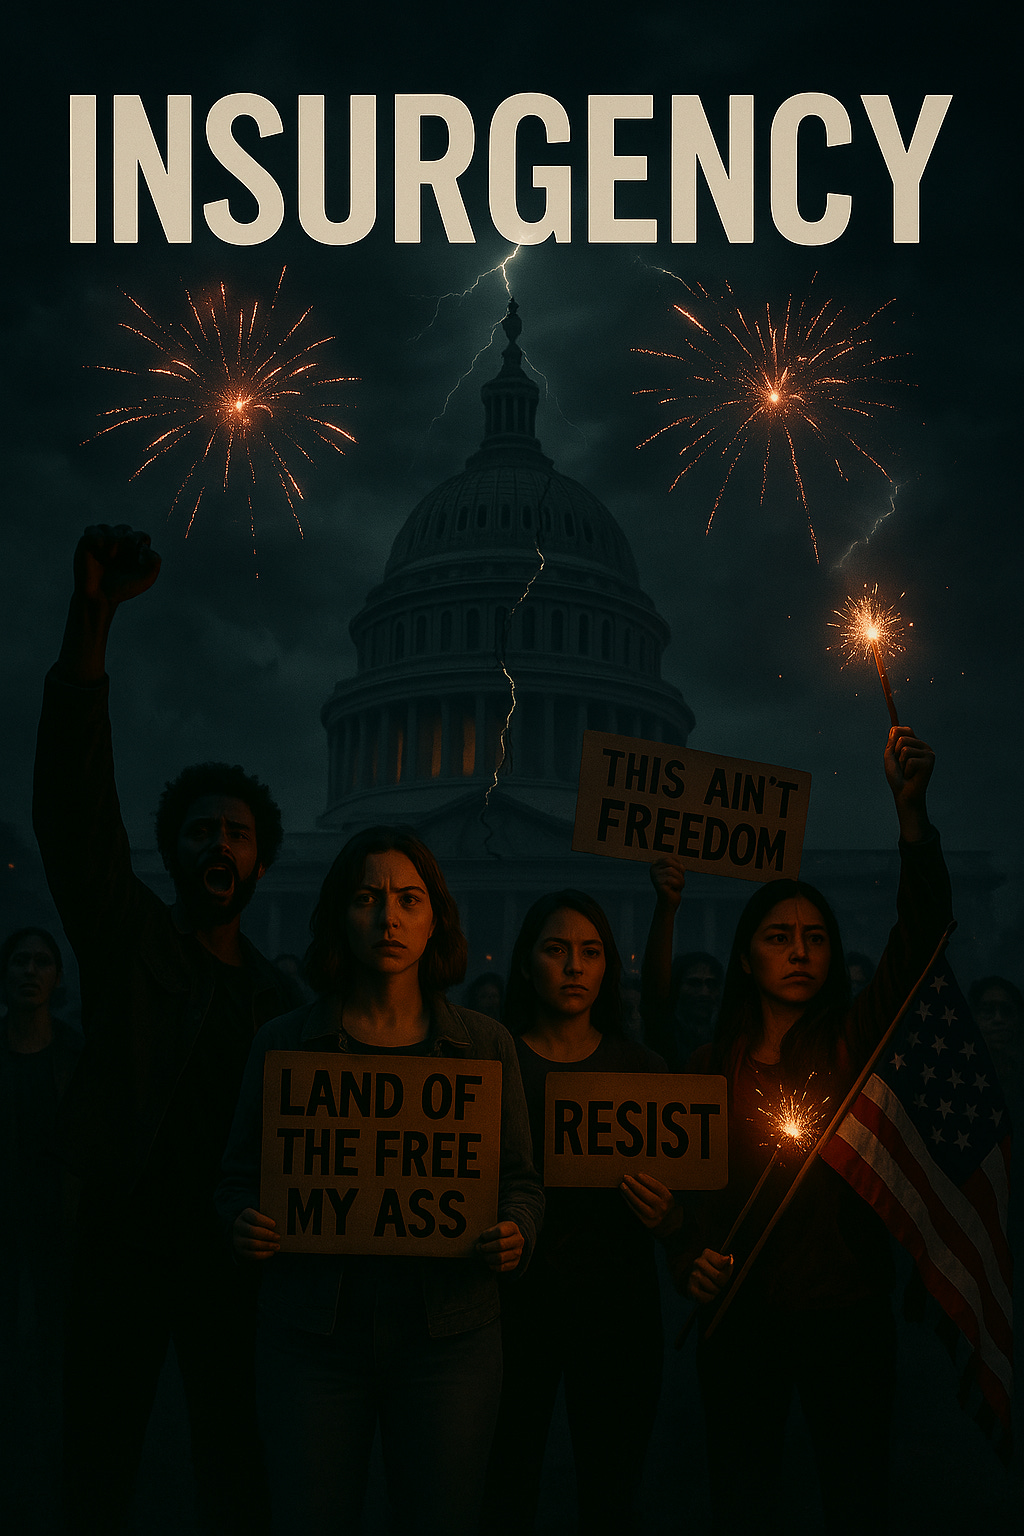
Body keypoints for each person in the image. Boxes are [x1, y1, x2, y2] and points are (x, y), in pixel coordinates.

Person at [32, 525, 299, 1536]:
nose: (217, 844)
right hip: (123, 1243)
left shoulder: (280, 1003)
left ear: (262, 862)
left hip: (231, 1254)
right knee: (98, 1459)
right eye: (200, 830)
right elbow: (70, 812)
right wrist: (91, 621)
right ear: (173, 852)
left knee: (236, 1458)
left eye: (235, 832)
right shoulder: (127, 939)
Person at [216, 826, 544, 1536]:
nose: (387, 918)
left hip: (449, 1338)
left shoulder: (486, 1048)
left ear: (436, 919)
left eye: (408, 899)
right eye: (366, 898)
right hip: (310, 1337)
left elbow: (521, 1180)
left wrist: (517, 1230)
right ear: (339, 913)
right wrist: (242, 1220)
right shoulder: (282, 1043)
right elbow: (236, 1178)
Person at [673, 725, 949, 1536]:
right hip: (743, 1321)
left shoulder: (851, 1044)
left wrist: (911, 817)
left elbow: (923, 935)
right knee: (744, 1495)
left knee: (855, 1494)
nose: (800, 952)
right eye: (778, 937)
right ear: (746, 957)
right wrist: (684, 1254)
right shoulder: (703, 1068)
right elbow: (674, 1190)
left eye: (816, 938)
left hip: (846, 1315)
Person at [483, 889, 673, 1535]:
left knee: (611, 1499)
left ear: (608, 968)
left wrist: (668, 1214)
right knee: (504, 1493)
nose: (574, 967)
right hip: (511, 1316)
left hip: (618, 1315)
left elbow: (690, 1216)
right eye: (557, 950)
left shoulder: (645, 1072)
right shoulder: (488, 1067)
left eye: (591, 952)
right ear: (526, 962)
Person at [0, 927, 82, 1534]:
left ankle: (48, 1461)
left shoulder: (74, 1052)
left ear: (57, 976)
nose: (31, 971)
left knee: (54, 1343)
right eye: (20, 961)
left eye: (42, 962)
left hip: (58, 1217)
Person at [639, 858, 723, 1066]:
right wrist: (666, 905)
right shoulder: (665, 1034)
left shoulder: (727, 1038)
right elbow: (654, 993)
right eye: (694, 983)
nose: (704, 993)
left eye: (711, 984)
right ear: (676, 988)